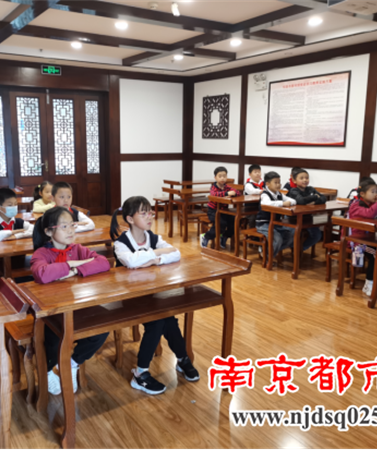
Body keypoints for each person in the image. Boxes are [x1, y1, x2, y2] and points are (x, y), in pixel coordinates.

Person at [111, 196, 199, 395]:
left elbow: (175, 253)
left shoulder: (152, 237)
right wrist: (157, 253)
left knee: (168, 317)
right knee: (158, 320)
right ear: (130, 219)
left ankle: (181, 359)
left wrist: (154, 260)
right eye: (143, 213)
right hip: (128, 297)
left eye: (150, 212)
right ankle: (140, 373)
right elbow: (131, 261)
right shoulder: (121, 243)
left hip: (151, 293)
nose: (150, 217)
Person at [31, 206, 111, 395]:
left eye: (72, 225)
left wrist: (75, 270)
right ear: (49, 231)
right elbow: (42, 274)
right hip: (52, 310)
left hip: (77, 306)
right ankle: (49, 370)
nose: (71, 231)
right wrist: (71, 264)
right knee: (52, 336)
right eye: (64, 226)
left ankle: (72, 363)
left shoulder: (77, 249)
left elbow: (103, 262)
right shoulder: (41, 253)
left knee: (102, 326)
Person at [255, 171, 296, 260]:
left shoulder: (279, 194)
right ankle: (268, 258)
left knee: (289, 236)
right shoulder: (265, 194)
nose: (278, 185)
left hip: (275, 223)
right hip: (263, 224)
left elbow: (293, 200)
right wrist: (282, 203)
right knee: (277, 239)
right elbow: (267, 204)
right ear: (267, 184)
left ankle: (266, 251)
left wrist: (289, 202)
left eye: (279, 182)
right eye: (275, 182)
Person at [286, 168, 327, 252]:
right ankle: (293, 247)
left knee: (317, 235)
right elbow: (301, 201)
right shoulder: (293, 191)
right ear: (294, 180)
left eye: (306, 178)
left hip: (307, 218)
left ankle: (300, 248)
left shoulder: (310, 189)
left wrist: (314, 202)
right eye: (301, 178)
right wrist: (314, 197)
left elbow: (323, 198)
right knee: (292, 235)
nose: (305, 180)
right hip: (294, 219)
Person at [201, 166, 241, 249]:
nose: (222, 178)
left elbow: (237, 192)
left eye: (224, 176)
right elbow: (214, 194)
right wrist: (227, 194)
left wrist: (233, 193)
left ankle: (225, 236)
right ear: (215, 177)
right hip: (213, 211)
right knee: (221, 224)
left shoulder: (227, 187)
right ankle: (206, 236)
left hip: (224, 211)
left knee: (236, 221)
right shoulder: (213, 187)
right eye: (220, 176)